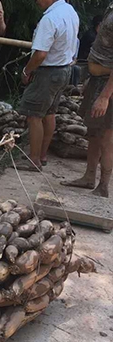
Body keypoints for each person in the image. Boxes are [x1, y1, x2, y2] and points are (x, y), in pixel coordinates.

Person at [16, 0, 79, 171]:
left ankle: (34, 160)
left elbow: (40, 54)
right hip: (64, 69)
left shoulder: (50, 19)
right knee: (49, 113)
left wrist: (26, 71)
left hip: (48, 72)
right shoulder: (69, 11)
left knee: (34, 115)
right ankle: (41, 155)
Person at [62, 3, 113, 197]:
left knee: (106, 138)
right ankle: (89, 177)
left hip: (107, 85)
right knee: (93, 133)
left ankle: (103, 186)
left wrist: (105, 96)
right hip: (98, 79)